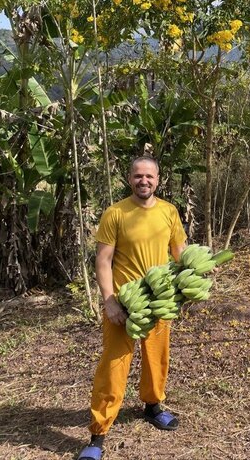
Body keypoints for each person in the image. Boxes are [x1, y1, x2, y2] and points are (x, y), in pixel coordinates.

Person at [78, 156, 187, 460]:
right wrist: (109, 301)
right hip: (125, 303)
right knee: (113, 367)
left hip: (158, 301)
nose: (144, 181)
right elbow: (103, 261)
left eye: (149, 176)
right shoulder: (115, 213)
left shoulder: (169, 211)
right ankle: (98, 435)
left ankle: (152, 406)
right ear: (129, 179)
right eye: (138, 176)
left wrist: (198, 271)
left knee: (157, 360)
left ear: (158, 179)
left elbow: (179, 253)